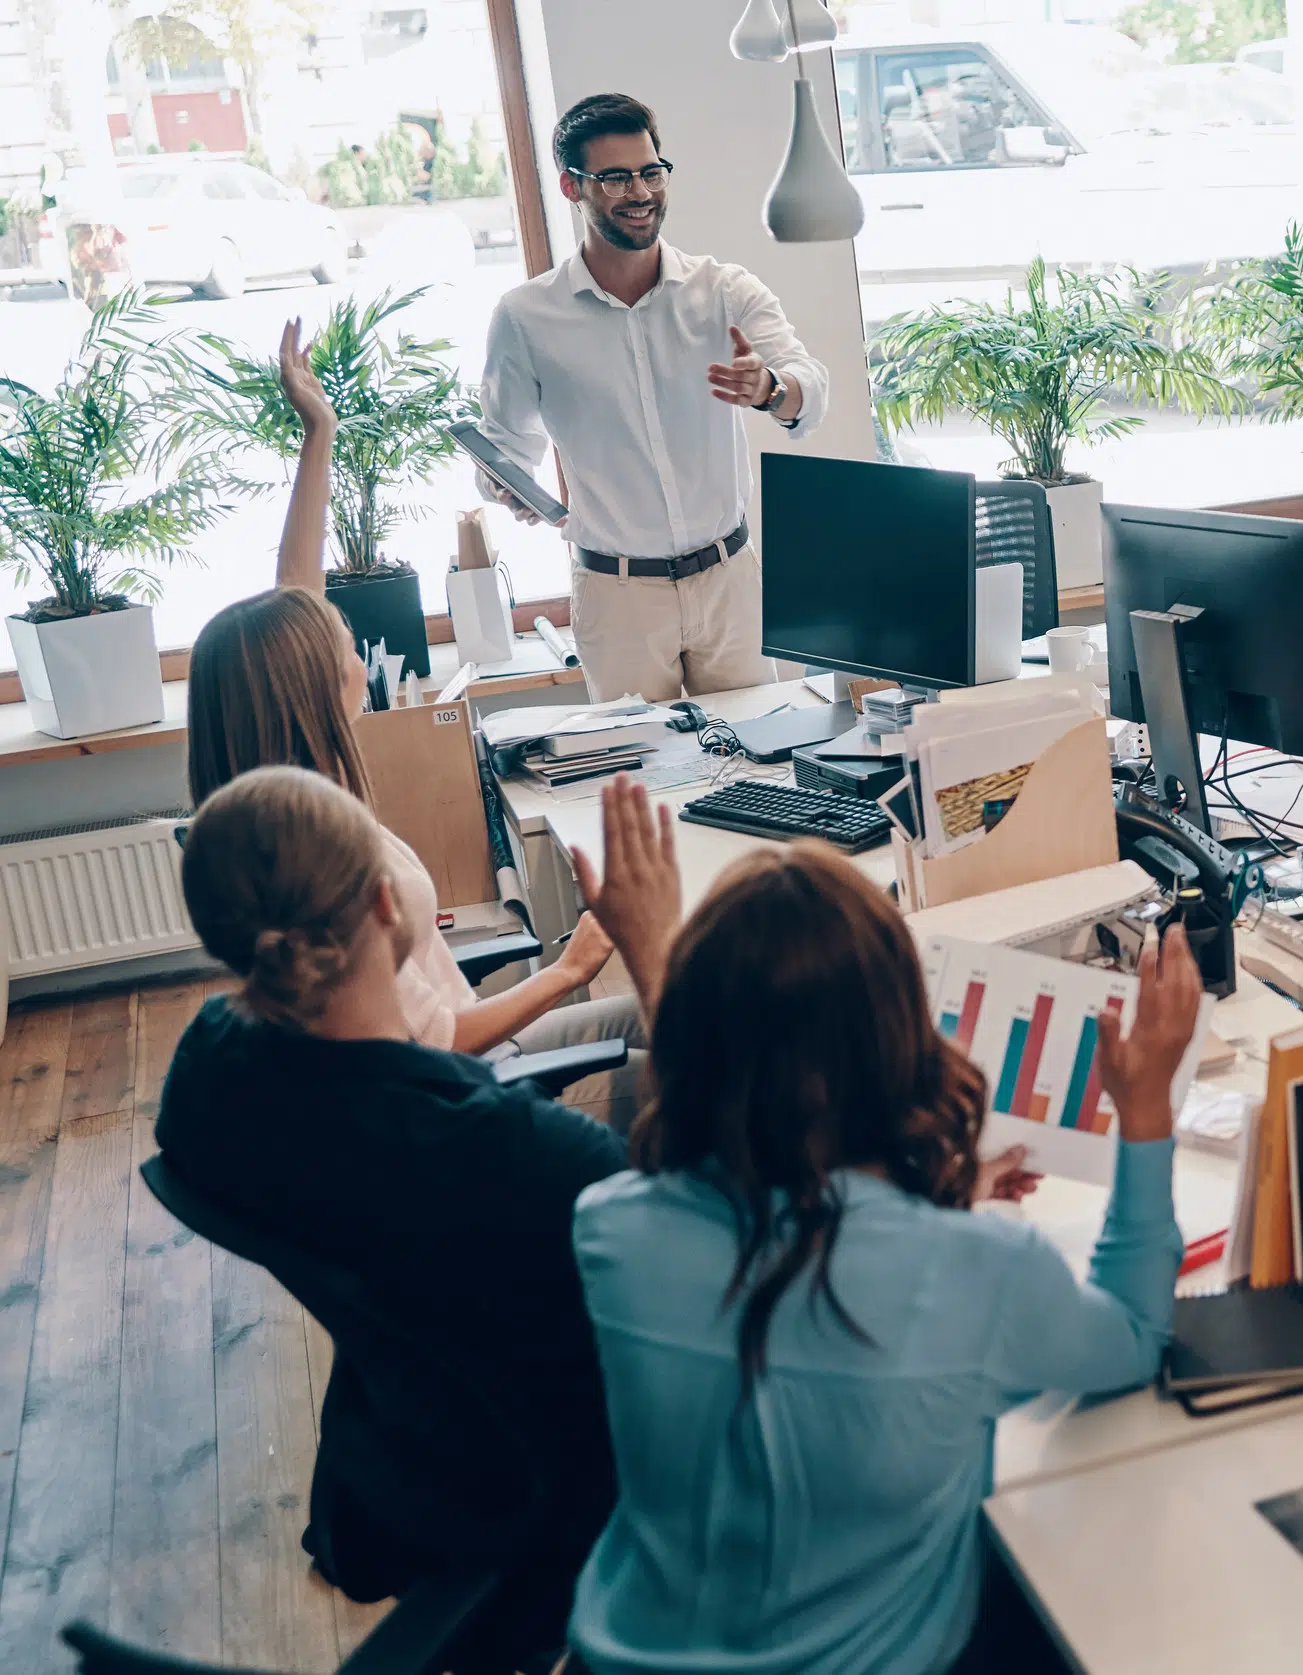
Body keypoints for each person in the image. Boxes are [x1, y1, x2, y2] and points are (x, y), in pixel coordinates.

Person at [565, 850, 1204, 1675]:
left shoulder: (610, 1233)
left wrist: (929, 1200)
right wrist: (1145, 1111)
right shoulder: (984, 1270)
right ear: (898, 1039)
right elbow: (1132, 1335)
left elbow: (774, 1242)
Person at [153, 768, 676, 1663]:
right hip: (594, 1471)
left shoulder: (205, 1078)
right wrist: (657, 951)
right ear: (389, 904)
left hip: (406, 1450)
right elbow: (699, 1238)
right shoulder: (526, 1159)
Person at [186, 319, 642, 1071]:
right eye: (345, 650)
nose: (362, 662)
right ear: (308, 690)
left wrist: (319, 432)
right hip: (479, 1083)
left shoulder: (266, 817)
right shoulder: (329, 874)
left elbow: (292, 598)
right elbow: (440, 1042)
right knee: (699, 1040)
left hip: (465, 1055)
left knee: (692, 1020)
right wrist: (574, 966)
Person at [476, 92, 830, 703]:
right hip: (617, 599)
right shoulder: (526, 317)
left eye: (650, 171)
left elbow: (810, 385)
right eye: (614, 178)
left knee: (761, 769)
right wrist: (505, 487)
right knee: (645, 779)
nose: (640, 192)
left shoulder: (722, 290)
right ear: (570, 186)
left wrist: (771, 389)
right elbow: (505, 448)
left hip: (729, 583)